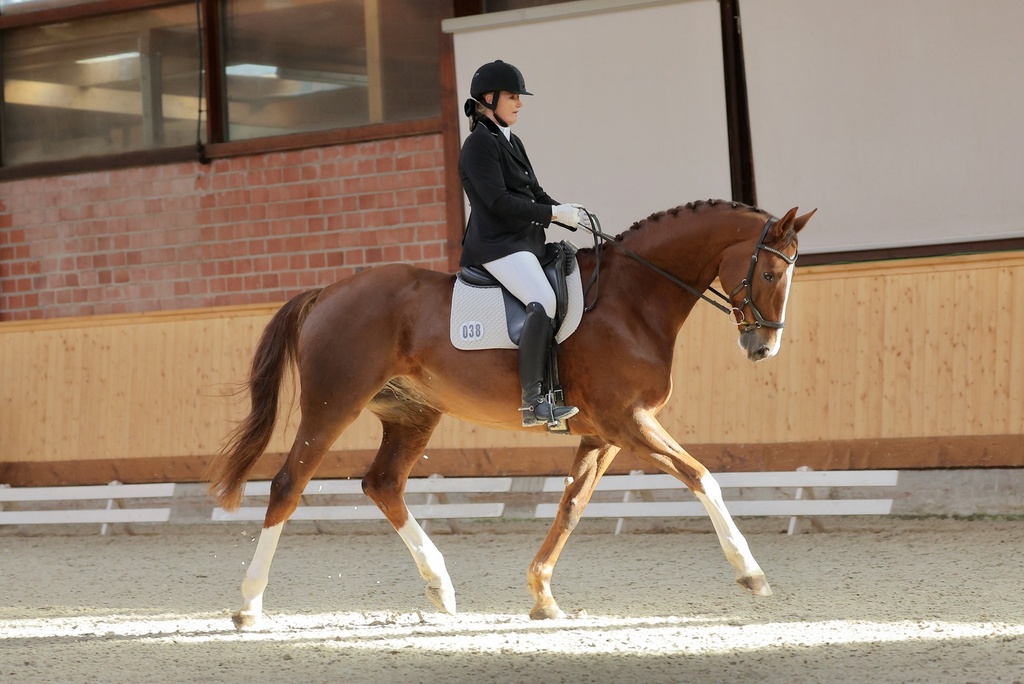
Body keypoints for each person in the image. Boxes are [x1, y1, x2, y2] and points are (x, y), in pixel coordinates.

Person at [458, 59, 583, 428]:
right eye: (513, 97)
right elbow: (498, 203)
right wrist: (553, 216)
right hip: (497, 245)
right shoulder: (478, 145)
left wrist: (565, 209)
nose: (519, 103)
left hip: (524, 241)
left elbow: (533, 191)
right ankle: (533, 401)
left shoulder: (512, 140)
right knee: (542, 299)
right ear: (489, 98)